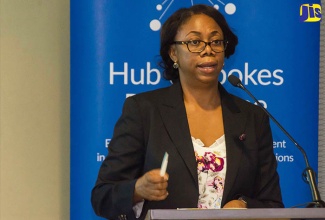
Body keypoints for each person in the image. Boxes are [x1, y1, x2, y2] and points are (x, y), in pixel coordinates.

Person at [91, 4, 284, 220]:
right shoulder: (145, 110)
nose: (208, 49)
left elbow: (272, 203)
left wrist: (244, 204)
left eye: (216, 41)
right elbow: (102, 197)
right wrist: (138, 189)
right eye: (195, 42)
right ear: (173, 52)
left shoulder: (252, 118)